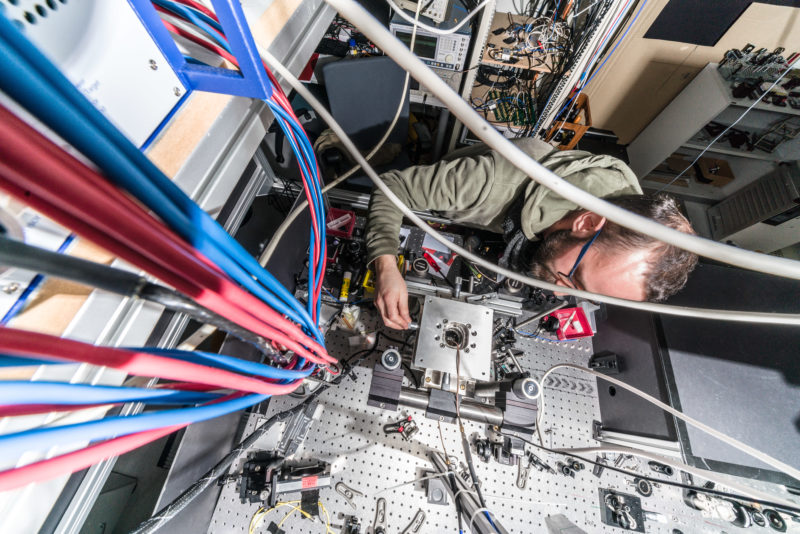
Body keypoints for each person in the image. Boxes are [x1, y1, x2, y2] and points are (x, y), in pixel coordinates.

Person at [365, 138, 698, 330]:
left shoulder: (624, 208)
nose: (560, 293)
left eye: (588, 295)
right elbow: (392, 187)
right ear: (586, 223)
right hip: (437, 203)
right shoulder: (489, 184)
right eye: (575, 279)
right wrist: (386, 265)